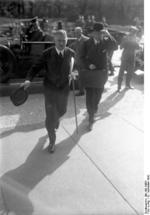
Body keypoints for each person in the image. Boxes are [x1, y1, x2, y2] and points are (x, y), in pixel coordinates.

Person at [21, 30, 75, 153]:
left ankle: (55, 122)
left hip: (64, 89)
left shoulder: (71, 53)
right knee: (50, 116)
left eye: (64, 40)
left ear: (67, 40)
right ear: (54, 41)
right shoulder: (47, 54)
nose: (62, 43)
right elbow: (35, 67)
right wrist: (28, 79)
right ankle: (52, 140)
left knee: (63, 110)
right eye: (59, 41)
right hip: (50, 89)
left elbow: (76, 67)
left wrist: (75, 73)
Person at [80, 22, 117, 131]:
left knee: (98, 96)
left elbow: (115, 46)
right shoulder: (86, 43)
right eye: (97, 33)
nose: (99, 35)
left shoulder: (106, 42)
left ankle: (93, 110)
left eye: (101, 33)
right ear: (93, 33)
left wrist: (108, 34)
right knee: (89, 95)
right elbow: (80, 58)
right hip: (90, 74)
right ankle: (91, 117)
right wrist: (88, 64)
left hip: (101, 74)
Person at [117, 26, 140, 92]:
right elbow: (121, 47)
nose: (134, 33)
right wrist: (126, 41)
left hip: (132, 57)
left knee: (130, 72)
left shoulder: (136, 39)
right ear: (130, 31)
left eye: (135, 32)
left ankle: (128, 84)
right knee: (121, 72)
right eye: (133, 31)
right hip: (125, 57)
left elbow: (138, 48)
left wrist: (135, 41)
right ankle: (119, 87)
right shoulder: (125, 38)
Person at [70, 27, 89, 96]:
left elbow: (90, 52)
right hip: (78, 62)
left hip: (84, 63)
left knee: (84, 77)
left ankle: (83, 91)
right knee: (80, 77)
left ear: (81, 32)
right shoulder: (77, 40)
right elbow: (72, 47)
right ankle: (82, 91)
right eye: (75, 32)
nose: (76, 34)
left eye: (78, 32)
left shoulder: (86, 40)